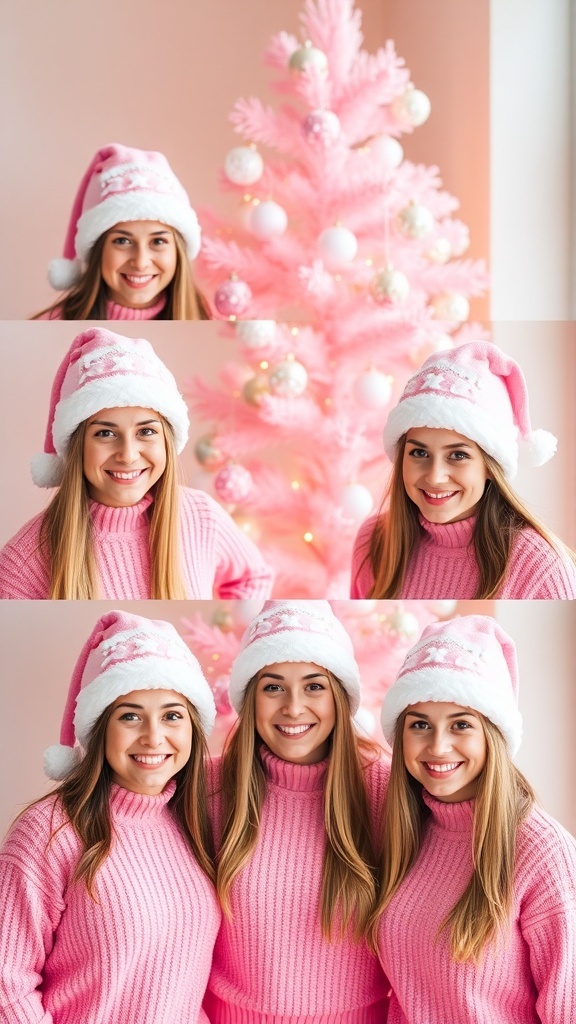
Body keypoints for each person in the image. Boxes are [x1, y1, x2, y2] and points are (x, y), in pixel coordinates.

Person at [0, 609, 221, 1024]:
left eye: (172, 715)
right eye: (130, 715)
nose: (154, 737)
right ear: (99, 727)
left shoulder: (196, 822)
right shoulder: (49, 833)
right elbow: (5, 984)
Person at [372, 615, 576, 1024]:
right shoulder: (405, 831)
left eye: (461, 724)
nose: (438, 745)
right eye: (420, 725)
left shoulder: (542, 851)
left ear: (493, 734)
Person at [205, 599, 391, 1022]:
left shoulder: (385, 790)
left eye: (314, 686)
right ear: (250, 698)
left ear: (340, 696)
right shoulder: (208, 788)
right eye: (273, 686)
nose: (292, 707)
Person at [0, 327, 273, 599]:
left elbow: (253, 577)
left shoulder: (200, 516)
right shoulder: (24, 563)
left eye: (146, 431)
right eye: (105, 433)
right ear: (77, 445)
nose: (128, 455)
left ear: (166, 440)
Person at [351, 341, 576, 599]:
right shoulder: (374, 542)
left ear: (491, 467)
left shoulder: (542, 570)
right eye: (419, 453)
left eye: (458, 455)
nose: (435, 476)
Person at [33, 143, 210, 320]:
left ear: (178, 251)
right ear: (98, 249)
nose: (140, 263)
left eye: (158, 241)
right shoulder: (50, 321)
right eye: (122, 241)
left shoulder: (206, 317)